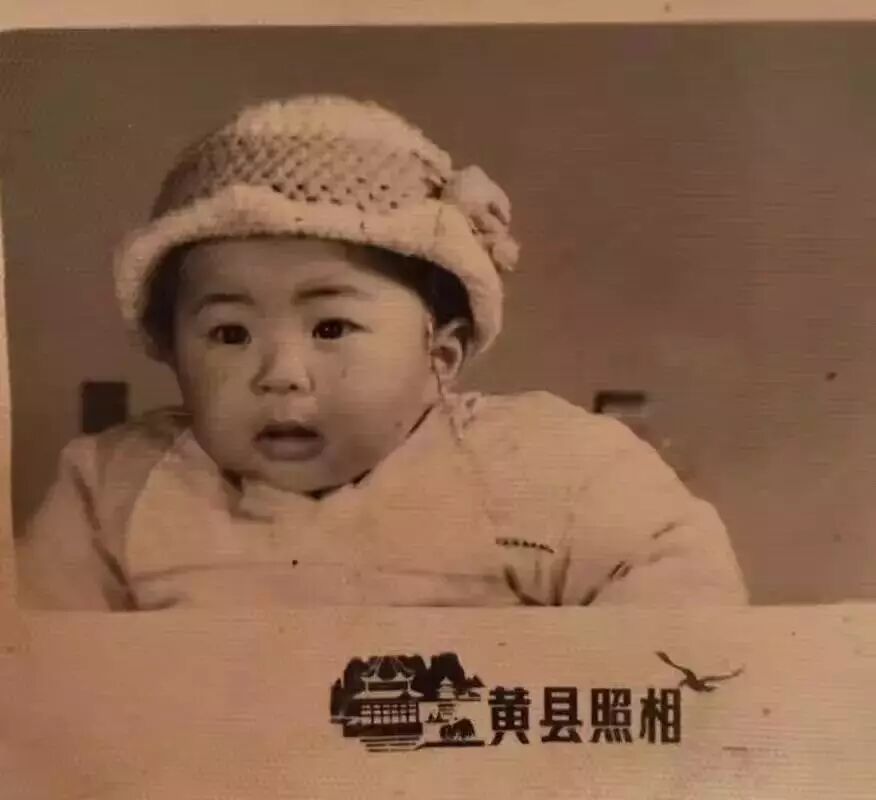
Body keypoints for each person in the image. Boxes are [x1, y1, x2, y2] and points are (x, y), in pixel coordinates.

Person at [16, 95, 748, 611]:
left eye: (331, 328)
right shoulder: (116, 490)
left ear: (442, 356)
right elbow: (39, 676)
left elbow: (680, 594)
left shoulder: (536, 467)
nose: (281, 376)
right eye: (230, 334)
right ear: (172, 350)